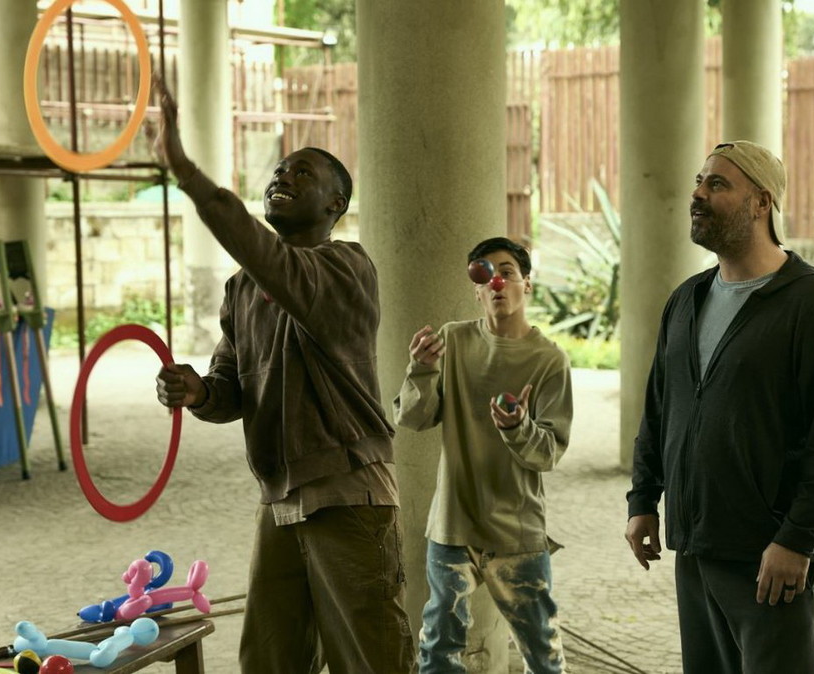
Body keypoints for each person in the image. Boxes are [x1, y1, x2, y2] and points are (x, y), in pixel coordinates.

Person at [151, 79, 415, 673]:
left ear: (335, 205)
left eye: (302, 172)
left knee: (371, 660)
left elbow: (271, 259)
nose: (283, 177)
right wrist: (198, 390)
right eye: (278, 170)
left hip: (347, 494)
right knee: (269, 660)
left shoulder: (346, 267)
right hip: (279, 501)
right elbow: (228, 387)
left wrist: (186, 172)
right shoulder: (243, 288)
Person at [624, 140, 814, 673]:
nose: (698, 194)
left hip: (770, 558)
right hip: (696, 549)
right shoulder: (686, 300)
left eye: (717, 184)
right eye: (699, 181)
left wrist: (797, 540)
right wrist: (643, 498)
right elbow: (660, 409)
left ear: (761, 202)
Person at [394, 237, 573, 673]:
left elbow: (548, 454)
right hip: (452, 526)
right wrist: (421, 369)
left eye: (507, 272)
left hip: (517, 530)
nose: (496, 281)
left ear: (526, 284)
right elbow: (414, 419)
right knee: (437, 651)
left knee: (543, 657)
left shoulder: (550, 360)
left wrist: (517, 428)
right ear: (477, 289)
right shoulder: (452, 340)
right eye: (485, 273)